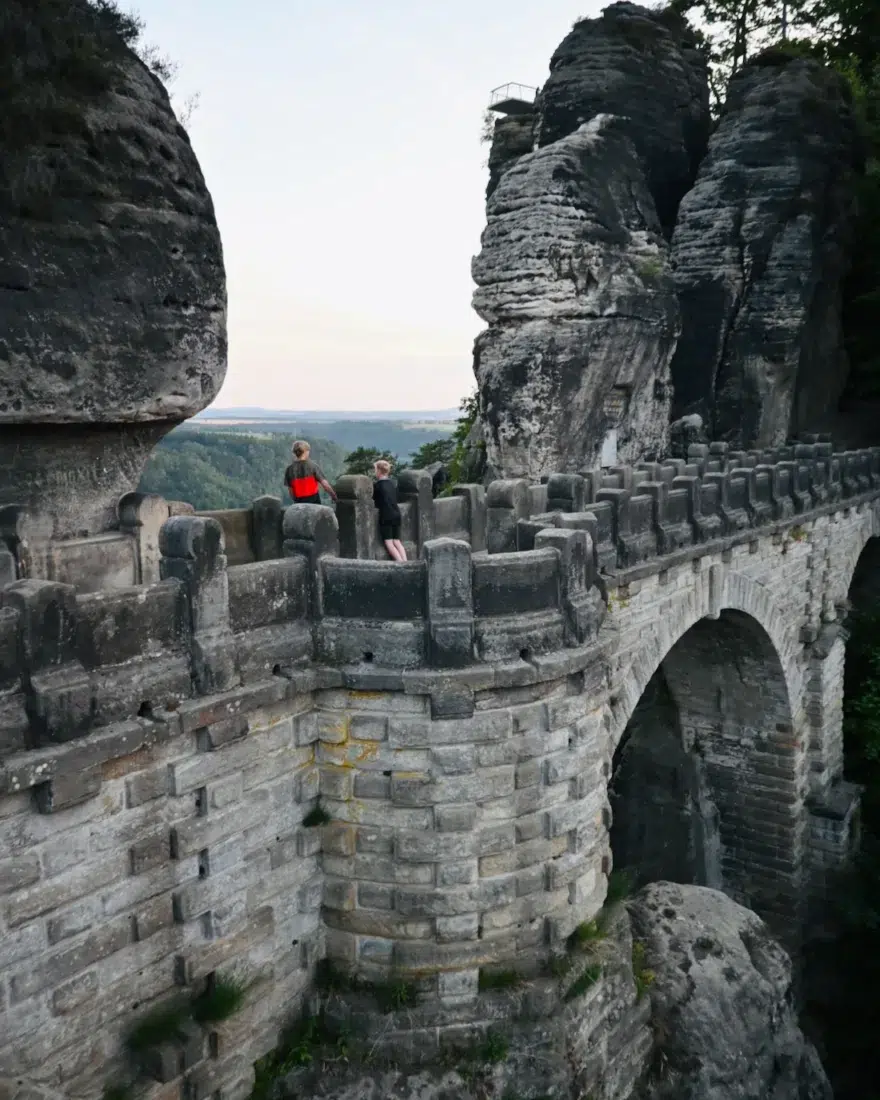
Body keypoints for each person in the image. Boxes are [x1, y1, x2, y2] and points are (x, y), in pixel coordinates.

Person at [373, 459, 406, 562]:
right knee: (397, 541)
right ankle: (406, 562)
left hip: (386, 516)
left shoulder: (377, 486)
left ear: (378, 471)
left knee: (389, 543)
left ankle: (400, 563)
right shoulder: (392, 484)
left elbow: (375, 501)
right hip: (397, 514)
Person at [284, 440, 338, 505]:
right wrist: (333, 496)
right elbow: (325, 485)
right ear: (306, 452)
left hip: (299, 505)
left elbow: (291, 491)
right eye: (308, 451)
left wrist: (296, 501)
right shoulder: (313, 466)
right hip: (314, 504)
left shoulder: (289, 469)